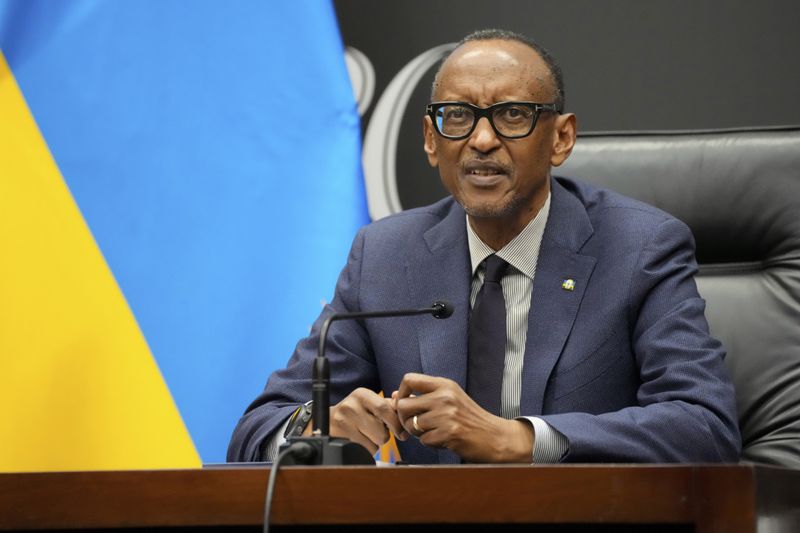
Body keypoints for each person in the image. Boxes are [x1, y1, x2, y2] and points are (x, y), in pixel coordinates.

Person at [227, 29, 741, 464]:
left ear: (561, 138)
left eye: (512, 115)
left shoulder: (639, 248)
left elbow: (706, 425)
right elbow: (255, 432)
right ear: (431, 139)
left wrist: (519, 439)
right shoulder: (385, 257)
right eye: (458, 116)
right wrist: (319, 426)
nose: (481, 140)